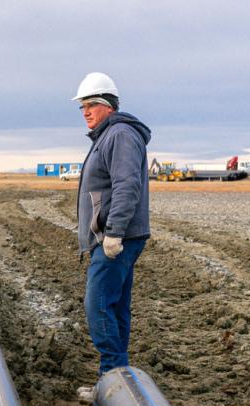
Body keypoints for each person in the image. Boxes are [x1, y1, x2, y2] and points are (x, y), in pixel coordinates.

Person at [73, 72, 151, 376]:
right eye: (82, 107)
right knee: (115, 306)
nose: (86, 112)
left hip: (117, 238)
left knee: (98, 306)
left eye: (91, 104)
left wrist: (114, 233)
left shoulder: (119, 135)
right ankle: (119, 378)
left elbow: (126, 185)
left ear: (108, 105)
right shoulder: (108, 136)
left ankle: (112, 375)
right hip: (113, 235)